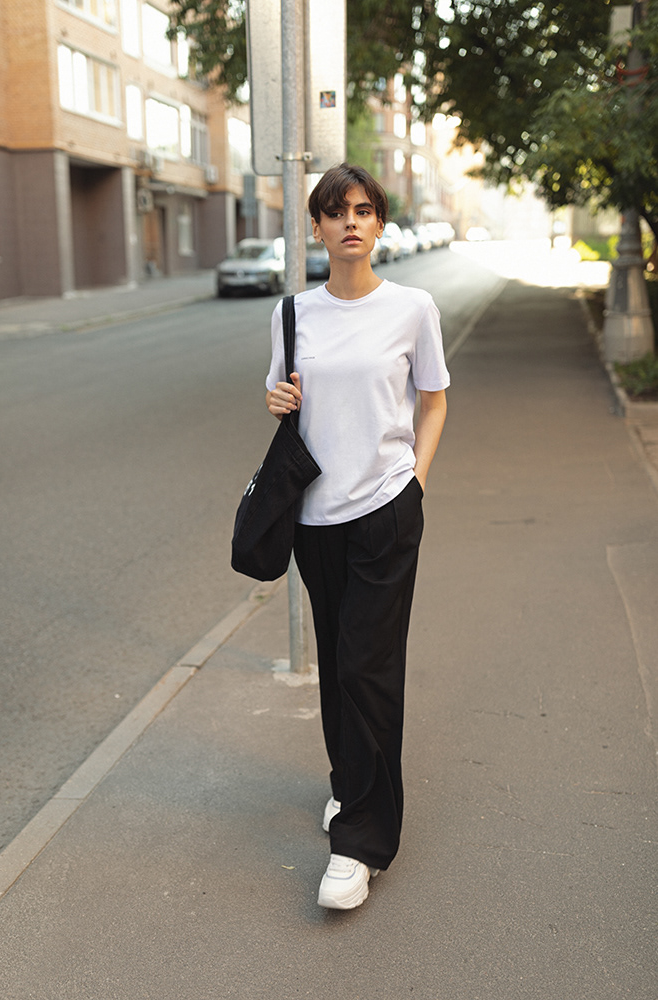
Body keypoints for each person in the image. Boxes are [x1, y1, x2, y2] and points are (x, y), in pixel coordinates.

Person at [265, 163, 449, 910]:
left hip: (384, 510)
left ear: (378, 224)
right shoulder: (291, 314)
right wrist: (276, 399)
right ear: (316, 228)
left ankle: (361, 844)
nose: (350, 222)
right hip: (315, 520)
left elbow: (433, 402)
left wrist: (415, 483)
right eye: (336, 212)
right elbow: (284, 398)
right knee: (340, 664)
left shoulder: (411, 308)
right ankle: (349, 783)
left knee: (368, 669)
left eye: (364, 210)